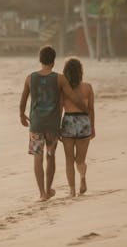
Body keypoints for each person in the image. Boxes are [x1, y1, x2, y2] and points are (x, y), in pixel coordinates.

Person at [19, 46, 88, 201]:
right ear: (54, 61)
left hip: (36, 124)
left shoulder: (30, 78)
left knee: (37, 157)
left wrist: (21, 115)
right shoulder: (59, 79)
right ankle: (49, 188)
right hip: (52, 126)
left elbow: (23, 100)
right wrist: (85, 109)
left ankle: (42, 193)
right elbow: (72, 96)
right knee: (50, 156)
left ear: (40, 59)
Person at [60, 57, 95, 197]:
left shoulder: (63, 89)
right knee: (80, 160)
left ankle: (72, 191)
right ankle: (82, 178)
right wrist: (93, 127)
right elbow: (91, 109)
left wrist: (57, 127)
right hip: (83, 122)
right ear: (80, 71)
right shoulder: (87, 87)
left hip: (68, 121)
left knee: (69, 160)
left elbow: (59, 109)